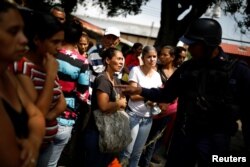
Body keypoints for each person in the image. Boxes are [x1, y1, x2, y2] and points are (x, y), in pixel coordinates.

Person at [116, 18, 250, 167]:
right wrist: (140, 90)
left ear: (208, 44)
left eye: (193, 44)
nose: (189, 48)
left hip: (216, 142)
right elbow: (166, 94)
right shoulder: (187, 68)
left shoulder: (239, 71)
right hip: (184, 138)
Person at [11, 12, 66, 167]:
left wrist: (48, 116)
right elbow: (36, 113)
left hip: (46, 145)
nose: (60, 48)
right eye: (55, 42)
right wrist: (50, 76)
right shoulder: (22, 67)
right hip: (26, 147)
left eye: (62, 42)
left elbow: (61, 103)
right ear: (36, 40)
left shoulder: (48, 63)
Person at [0, 1, 45, 166]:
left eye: (22, 31)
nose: (24, 39)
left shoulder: (9, 76)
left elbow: (36, 115)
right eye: (13, 32)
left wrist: (33, 142)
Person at [47, 17, 90, 167]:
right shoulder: (82, 62)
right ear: (79, 39)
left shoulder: (50, 52)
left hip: (42, 112)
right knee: (51, 163)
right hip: (65, 119)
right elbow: (83, 95)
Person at [83, 48, 127, 167]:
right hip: (97, 133)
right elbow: (103, 106)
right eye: (118, 59)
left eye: (122, 59)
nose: (121, 62)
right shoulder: (103, 79)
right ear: (107, 60)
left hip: (108, 132)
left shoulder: (116, 79)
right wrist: (119, 104)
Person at [120, 46, 162, 167]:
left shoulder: (157, 76)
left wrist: (152, 98)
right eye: (149, 57)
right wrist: (151, 95)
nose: (152, 59)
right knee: (126, 153)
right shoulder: (135, 70)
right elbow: (132, 96)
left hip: (147, 118)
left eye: (154, 56)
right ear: (143, 58)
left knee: (137, 154)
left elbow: (159, 96)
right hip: (133, 115)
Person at [139, 45, 178, 167]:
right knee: (144, 138)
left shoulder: (177, 72)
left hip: (168, 110)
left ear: (172, 57)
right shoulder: (155, 70)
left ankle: (144, 162)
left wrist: (167, 103)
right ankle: (138, 160)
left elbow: (178, 92)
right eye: (160, 54)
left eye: (165, 55)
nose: (161, 57)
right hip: (151, 108)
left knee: (155, 140)